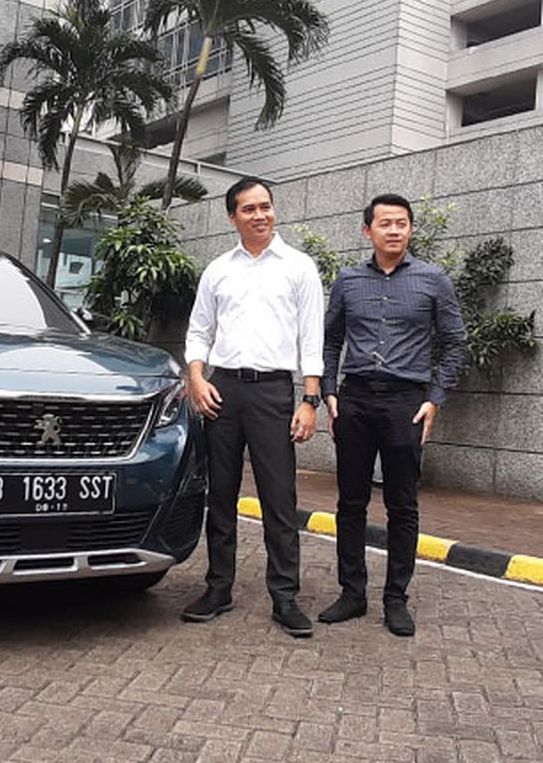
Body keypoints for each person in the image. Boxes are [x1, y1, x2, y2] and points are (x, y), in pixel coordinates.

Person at [182, 177, 324, 637]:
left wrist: (309, 399)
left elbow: (311, 339)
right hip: (222, 390)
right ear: (232, 217)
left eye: (266, 206)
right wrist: (197, 378)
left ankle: (285, 598)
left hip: (273, 395)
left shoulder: (299, 267)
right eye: (249, 209)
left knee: (278, 499)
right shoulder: (218, 270)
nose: (260, 215)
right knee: (219, 496)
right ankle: (218, 589)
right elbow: (199, 330)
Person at [318, 194, 466, 636]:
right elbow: (329, 341)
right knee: (351, 502)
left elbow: (456, 342)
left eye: (402, 223)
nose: (394, 230)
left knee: (403, 504)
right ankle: (352, 593)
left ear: (411, 229)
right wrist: (329, 392)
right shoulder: (347, 280)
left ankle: (396, 598)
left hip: (407, 403)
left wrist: (434, 398)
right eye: (385, 223)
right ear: (368, 231)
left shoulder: (432, 279)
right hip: (355, 400)